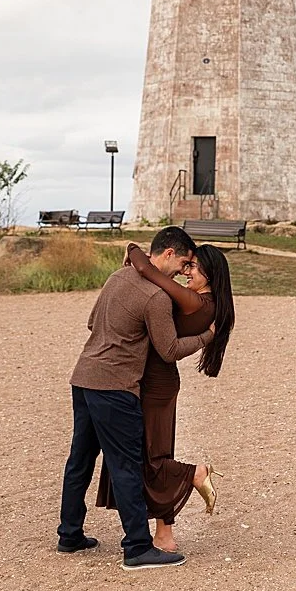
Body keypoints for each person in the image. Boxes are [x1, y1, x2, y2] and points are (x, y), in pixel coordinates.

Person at [56, 226, 213, 568]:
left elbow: (91, 322)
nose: (185, 272)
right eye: (184, 263)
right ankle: (138, 547)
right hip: (115, 387)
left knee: (79, 460)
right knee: (126, 464)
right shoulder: (156, 297)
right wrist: (206, 336)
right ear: (168, 253)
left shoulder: (118, 276)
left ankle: (69, 535)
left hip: (83, 378)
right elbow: (169, 349)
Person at [98, 242, 236, 551]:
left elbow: (148, 271)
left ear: (209, 273)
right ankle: (164, 535)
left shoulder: (196, 302)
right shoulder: (204, 302)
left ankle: (196, 474)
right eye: (187, 266)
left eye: (193, 267)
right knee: (156, 454)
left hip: (155, 386)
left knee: (151, 459)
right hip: (156, 383)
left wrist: (134, 249)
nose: (187, 272)